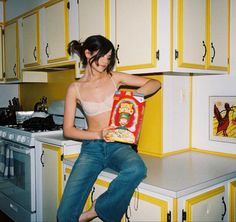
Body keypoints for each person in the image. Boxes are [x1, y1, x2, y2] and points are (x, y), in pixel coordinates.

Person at [57, 35, 161, 222]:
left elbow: (155, 83)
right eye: (103, 55)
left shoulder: (115, 78)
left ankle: (97, 209)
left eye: (109, 57)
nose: (106, 61)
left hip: (118, 145)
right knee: (64, 217)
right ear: (88, 53)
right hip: (92, 149)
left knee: (137, 169)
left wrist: (135, 96)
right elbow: (68, 130)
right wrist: (98, 134)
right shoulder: (75, 88)